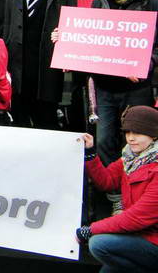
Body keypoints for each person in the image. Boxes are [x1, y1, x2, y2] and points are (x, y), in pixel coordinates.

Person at [54, 0, 158, 213]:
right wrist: (67, 43)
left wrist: (147, 63)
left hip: (136, 87)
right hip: (105, 87)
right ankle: (114, 199)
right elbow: (92, 38)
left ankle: (138, 199)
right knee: (104, 143)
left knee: (135, 143)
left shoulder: (153, 1)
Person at [3, 0, 76, 129]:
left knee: (47, 117)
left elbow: (71, 22)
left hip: (48, 59)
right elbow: (8, 21)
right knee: (20, 116)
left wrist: (66, 51)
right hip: (19, 58)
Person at [76, 105, 158, 272]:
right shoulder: (130, 158)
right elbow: (106, 182)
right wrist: (90, 152)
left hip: (152, 240)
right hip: (138, 236)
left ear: (154, 135)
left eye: (138, 133)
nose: (131, 138)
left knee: (99, 244)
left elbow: (136, 218)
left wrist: (90, 230)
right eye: (127, 132)